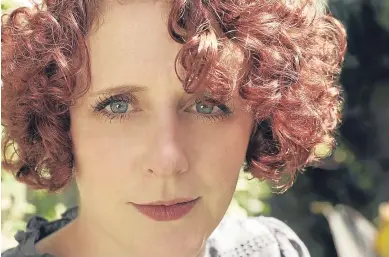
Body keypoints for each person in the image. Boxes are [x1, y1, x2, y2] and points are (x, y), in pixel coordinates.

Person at [1, 0, 346, 256]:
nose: (168, 158)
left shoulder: (270, 251)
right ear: (58, 121)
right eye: (118, 105)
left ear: (262, 117)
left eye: (207, 105)